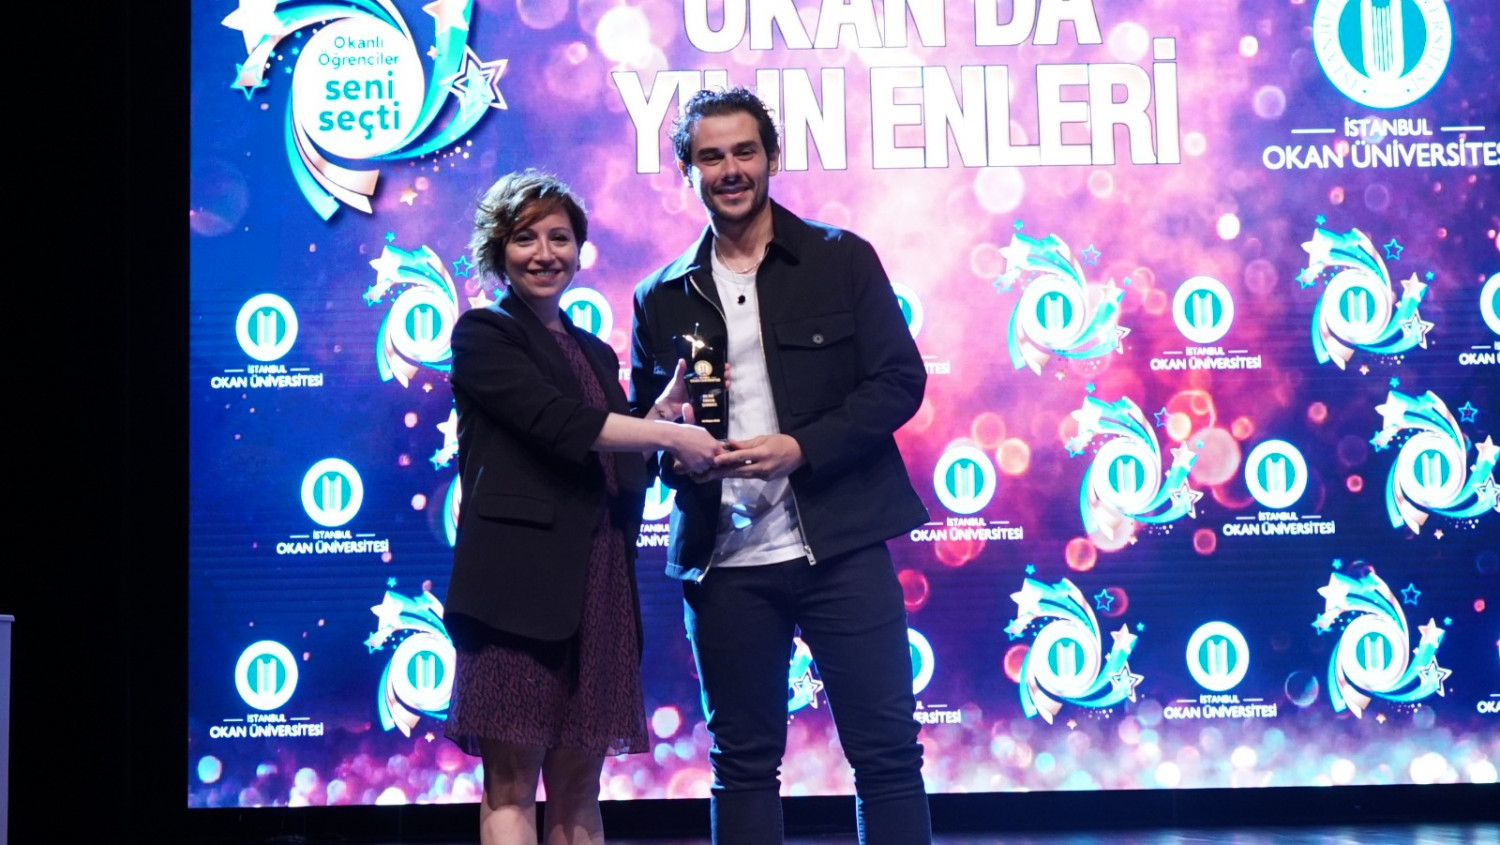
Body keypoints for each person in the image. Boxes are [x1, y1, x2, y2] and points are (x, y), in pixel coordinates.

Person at [629, 88, 934, 844]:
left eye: (744, 151)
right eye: (710, 157)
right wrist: (677, 451)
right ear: (687, 171)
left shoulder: (840, 258)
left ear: (771, 157)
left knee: (887, 757)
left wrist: (803, 447)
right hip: (723, 562)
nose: (730, 169)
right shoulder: (657, 296)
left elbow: (899, 381)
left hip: (842, 544)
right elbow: (650, 432)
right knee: (741, 764)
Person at [444, 169, 725, 845]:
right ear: (498, 251)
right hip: (515, 595)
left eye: (560, 238)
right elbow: (557, 423)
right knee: (511, 786)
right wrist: (667, 435)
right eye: (526, 238)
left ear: (579, 249)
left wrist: (658, 418)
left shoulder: (594, 350)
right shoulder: (484, 334)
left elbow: (614, 461)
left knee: (579, 789)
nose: (545, 253)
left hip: (599, 589)